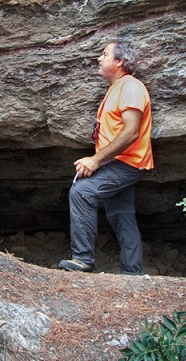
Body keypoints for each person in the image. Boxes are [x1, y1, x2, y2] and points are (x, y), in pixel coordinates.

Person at [58, 38, 154, 275]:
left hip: (127, 162)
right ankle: (132, 274)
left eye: (104, 54)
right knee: (122, 216)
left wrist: (96, 160)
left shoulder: (131, 86)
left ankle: (83, 259)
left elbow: (131, 132)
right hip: (120, 161)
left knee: (81, 192)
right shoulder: (115, 90)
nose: (99, 59)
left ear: (120, 61)